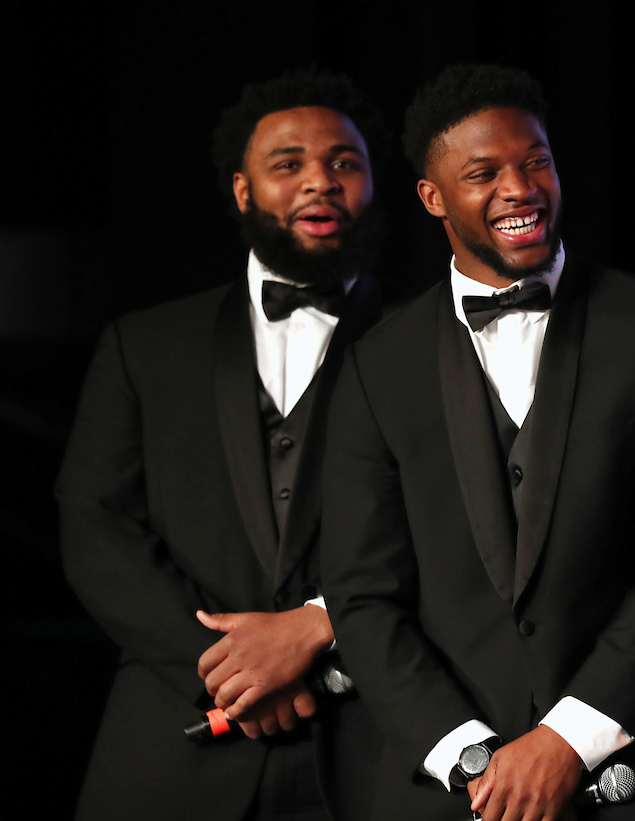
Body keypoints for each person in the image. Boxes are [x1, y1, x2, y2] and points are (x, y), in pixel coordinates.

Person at [320, 64, 635, 820]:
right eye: (484, 174)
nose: (520, 189)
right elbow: (362, 593)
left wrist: (566, 741)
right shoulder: (376, 364)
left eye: (536, 162)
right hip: (454, 790)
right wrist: (475, 759)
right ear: (432, 197)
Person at [57, 68, 388, 821]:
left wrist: (321, 629)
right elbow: (94, 522)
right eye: (288, 163)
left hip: (375, 748)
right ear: (243, 190)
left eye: (344, 162)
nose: (320, 181)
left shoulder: (434, 339)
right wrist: (227, 674)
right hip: (177, 745)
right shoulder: (146, 344)